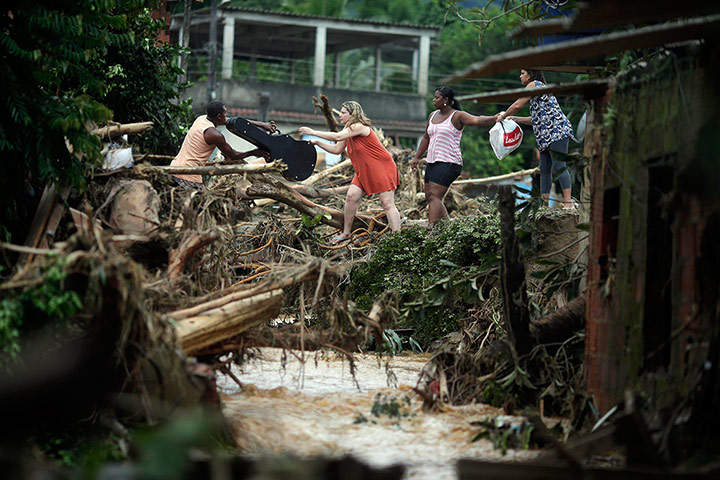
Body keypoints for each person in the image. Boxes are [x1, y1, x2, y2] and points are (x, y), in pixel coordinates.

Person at [298, 101, 401, 243]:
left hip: (381, 167)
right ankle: (346, 232)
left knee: (387, 203)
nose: (340, 115)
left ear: (353, 114)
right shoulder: (348, 131)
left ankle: (398, 238)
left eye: (343, 112)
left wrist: (313, 132)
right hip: (364, 170)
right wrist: (317, 142)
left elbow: (337, 137)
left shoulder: (358, 126)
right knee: (351, 197)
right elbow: (336, 149)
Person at [411, 86, 497, 224]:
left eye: (437, 98)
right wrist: (417, 157)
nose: (433, 100)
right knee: (430, 196)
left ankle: (431, 231)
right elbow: (426, 138)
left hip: (449, 162)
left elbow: (477, 120)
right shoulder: (432, 115)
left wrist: (495, 118)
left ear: (446, 100)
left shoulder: (457, 116)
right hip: (432, 161)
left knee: (434, 196)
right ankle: (447, 226)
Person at [496, 69, 574, 209]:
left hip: (557, 131)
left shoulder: (534, 84)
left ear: (530, 74)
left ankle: (568, 203)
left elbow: (517, 105)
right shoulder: (539, 92)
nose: (520, 76)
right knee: (544, 170)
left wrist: (503, 115)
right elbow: (536, 119)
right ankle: (544, 205)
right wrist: (515, 119)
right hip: (545, 136)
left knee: (559, 166)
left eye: (522, 73)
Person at [170, 101, 275, 188]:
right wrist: (255, 152)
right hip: (189, 177)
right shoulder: (215, 135)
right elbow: (233, 155)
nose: (226, 115)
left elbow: (236, 122)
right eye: (225, 113)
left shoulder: (201, 119)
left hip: (174, 169)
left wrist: (262, 124)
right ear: (219, 117)